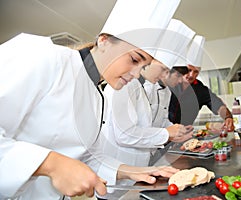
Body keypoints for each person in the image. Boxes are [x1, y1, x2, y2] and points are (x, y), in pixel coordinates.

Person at [0, 0, 182, 199]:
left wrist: (135, 171)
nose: (136, 73)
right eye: (134, 59)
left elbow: (87, 156)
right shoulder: (43, 56)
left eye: (143, 66)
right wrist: (51, 164)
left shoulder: (97, 94)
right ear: (103, 41)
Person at [99, 19, 195, 178]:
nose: (165, 76)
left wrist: (176, 131)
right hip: (119, 167)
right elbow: (124, 134)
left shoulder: (143, 85)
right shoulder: (123, 85)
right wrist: (166, 134)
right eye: (164, 70)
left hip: (141, 167)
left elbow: (153, 123)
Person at [169, 35, 234, 131]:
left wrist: (228, 117)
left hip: (185, 135)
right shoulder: (170, 84)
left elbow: (218, 105)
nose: (191, 75)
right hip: (163, 133)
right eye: (189, 70)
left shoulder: (200, 89)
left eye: (196, 72)